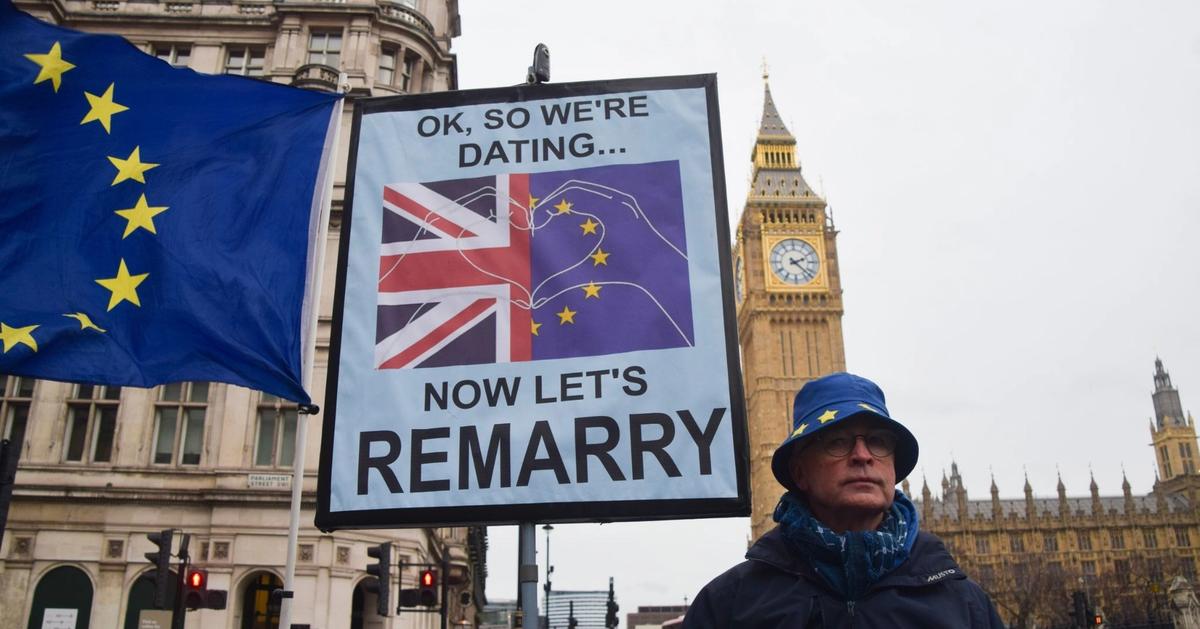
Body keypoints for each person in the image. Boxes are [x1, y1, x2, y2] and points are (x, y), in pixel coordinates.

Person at [684, 372, 1004, 628]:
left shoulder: (964, 603)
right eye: (837, 441)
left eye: (878, 442)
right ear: (800, 472)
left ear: (893, 467)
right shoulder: (730, 604)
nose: (862, 456)